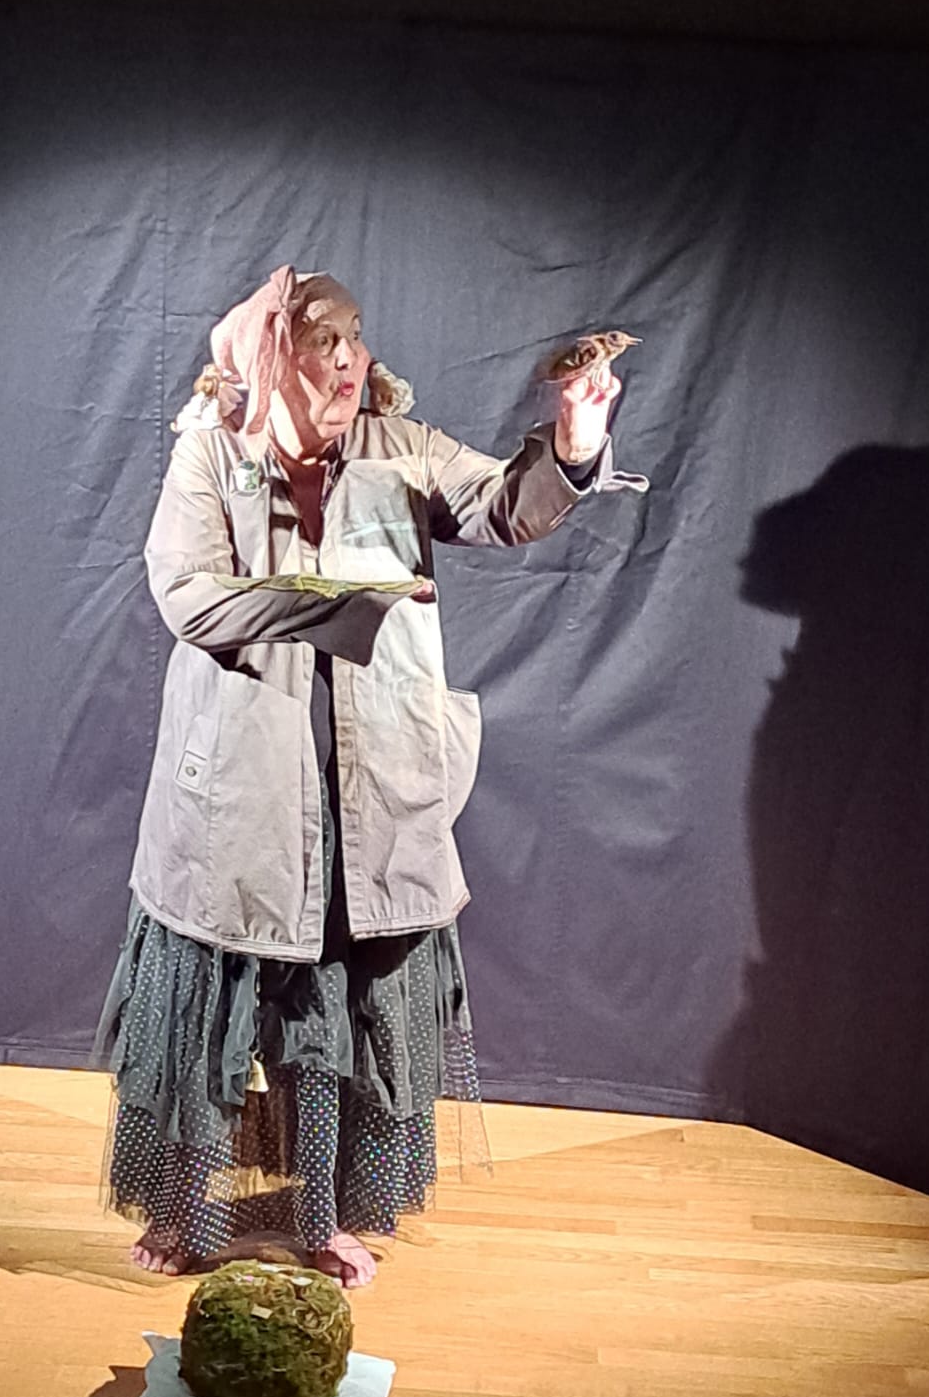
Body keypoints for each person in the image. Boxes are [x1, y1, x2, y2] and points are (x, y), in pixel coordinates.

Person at [95, 265, 630, 1285]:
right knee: (211, 1002)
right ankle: (183, 1210)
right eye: (321, 341)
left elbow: (504, 507)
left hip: (368, 780)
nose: (349, 359)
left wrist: (572, 443)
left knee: (340, 1004)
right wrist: (341, 602)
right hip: (244, 786)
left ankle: (325, 1214)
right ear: (269, 359)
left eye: (355, 335)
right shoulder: (213, 454)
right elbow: (191, 597)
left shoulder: (399, 448)